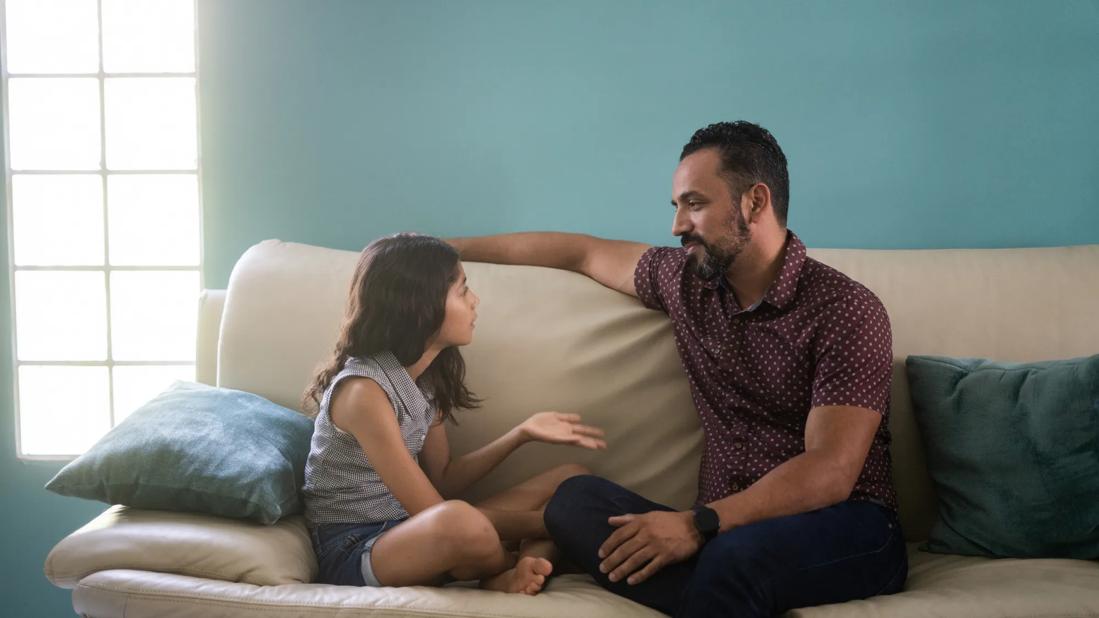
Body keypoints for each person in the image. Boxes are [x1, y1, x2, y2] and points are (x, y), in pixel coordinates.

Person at [447, 121, 908, 616]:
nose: (677, 226)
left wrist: (696, 526)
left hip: (844, 525)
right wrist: (440, 249)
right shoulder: (685, 279)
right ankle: (722, 594)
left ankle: (721, 582)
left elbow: (831, 470)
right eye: (677, 207)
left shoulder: (845, 308)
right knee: (572, 501)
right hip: (718, 530)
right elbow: (578, 252)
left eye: (695, 204)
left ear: (755, 202)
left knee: (734, 560)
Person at [301, 233, 606, 595]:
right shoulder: (363, 392)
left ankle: (521, 564)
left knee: (572, 480)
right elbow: (431, 510)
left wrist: (521, 433)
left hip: (411, 527)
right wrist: (549, 523)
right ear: (420, 305)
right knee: (460, 522)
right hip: (357, 548)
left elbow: (444, 478)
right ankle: (504, 569)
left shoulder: (426, 379)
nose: (475, 301)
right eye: (463, 290)